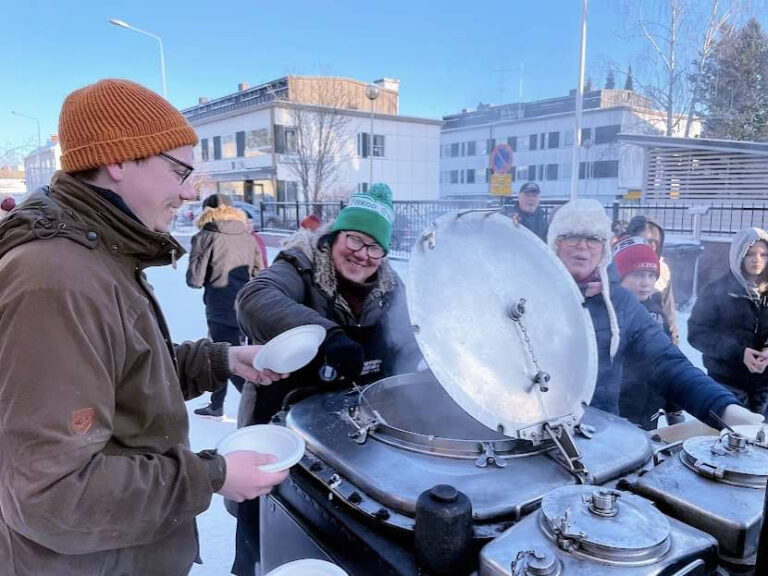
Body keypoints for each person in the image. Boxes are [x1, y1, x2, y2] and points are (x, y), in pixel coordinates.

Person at [0, 79, 288, 575]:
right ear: (119, 159)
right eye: (179, 170)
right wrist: (212, 477)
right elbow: (52, 494)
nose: (187, 191)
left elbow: (118, 374)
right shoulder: (56, 278)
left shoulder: (101, 254)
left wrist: (220, 359)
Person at [232, 182, 422, 576]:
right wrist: (327, 335)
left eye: (375, 247)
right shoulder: (298, 267)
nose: (362, 253)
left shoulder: (390, 287)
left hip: (347, 431)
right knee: (261, 515)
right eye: (354, 238)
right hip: (280, 414)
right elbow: (253, 299)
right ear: (336, 235)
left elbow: (409, 343)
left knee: (334, 524)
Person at [547, 199, 763, 430]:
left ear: (603, 249)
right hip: (530, 434)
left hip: (598, 434)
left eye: (592, 239)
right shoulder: (528, 293)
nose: (583, 245)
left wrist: (723, 408)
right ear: (555, 243)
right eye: (572, 236)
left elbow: (667, 361)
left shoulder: (621, 302)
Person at [187, 193, 264, 419]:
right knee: (223, 353)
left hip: (220, 308)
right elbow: (258, 274)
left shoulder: (206, 235)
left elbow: (195, 280)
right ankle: (216, 405)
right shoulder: (247, 236)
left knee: (229, 360)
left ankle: (261, 409)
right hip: (246, 308)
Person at [688, 227, 768, 415]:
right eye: (750, 254)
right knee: (730, 438)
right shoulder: (716, 291)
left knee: (760, 440)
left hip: (764, 385)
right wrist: (739, 353)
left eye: (763, 254)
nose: (757, 260)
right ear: (738, 254)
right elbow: (697, 334)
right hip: (727, 382)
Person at [613, 236, 675, 429]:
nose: (646, 282)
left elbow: (666, 357)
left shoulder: (656, 311)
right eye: (638, 275)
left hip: (650, 403)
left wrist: (671, 401)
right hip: (619, 405)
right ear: (619, 276)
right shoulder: (611, 313)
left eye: (651, 275)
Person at [626, 215, 679, 345]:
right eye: (646, 241)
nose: (652, 247)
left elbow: (668, 309)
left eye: (655, 242)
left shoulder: (663, 270)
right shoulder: (620, 267)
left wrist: (673, 339)